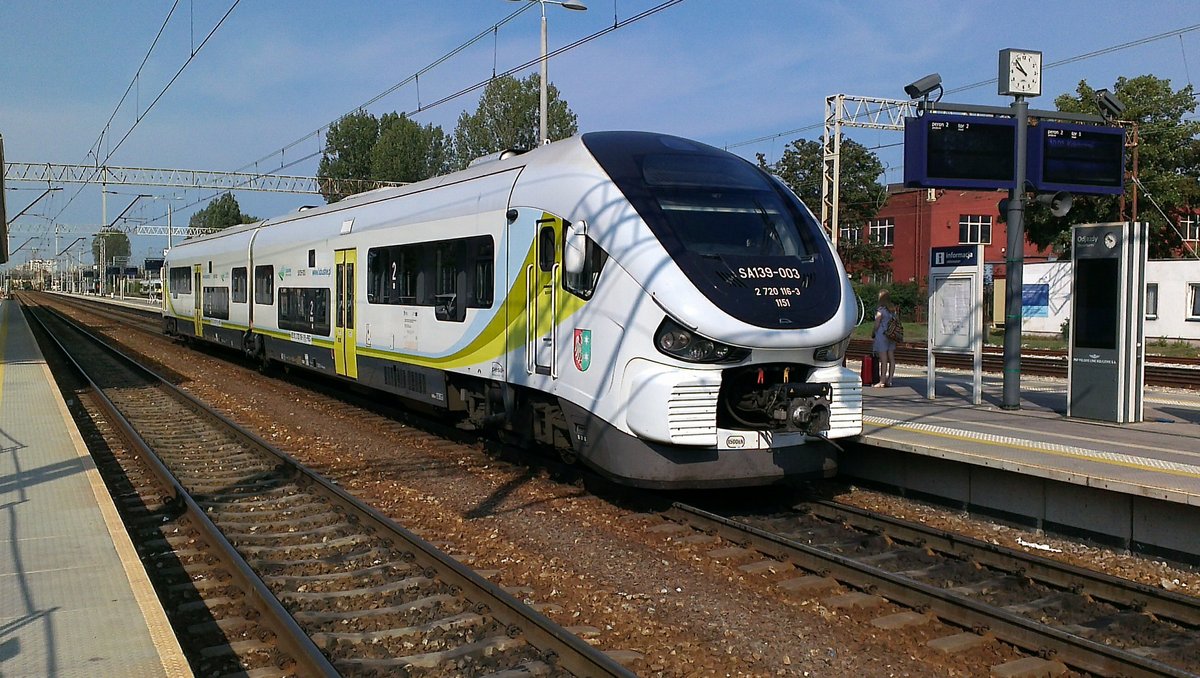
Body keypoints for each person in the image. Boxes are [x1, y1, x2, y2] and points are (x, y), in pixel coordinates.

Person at [871, 289, 897, 387]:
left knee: (884, 359)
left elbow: (877, 324)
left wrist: (873, 332)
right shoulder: (893, 310)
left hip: (882, 336)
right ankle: (889, 380)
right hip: (892, 335)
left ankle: (882, 381)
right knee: (891, 358)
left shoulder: (881, 310)